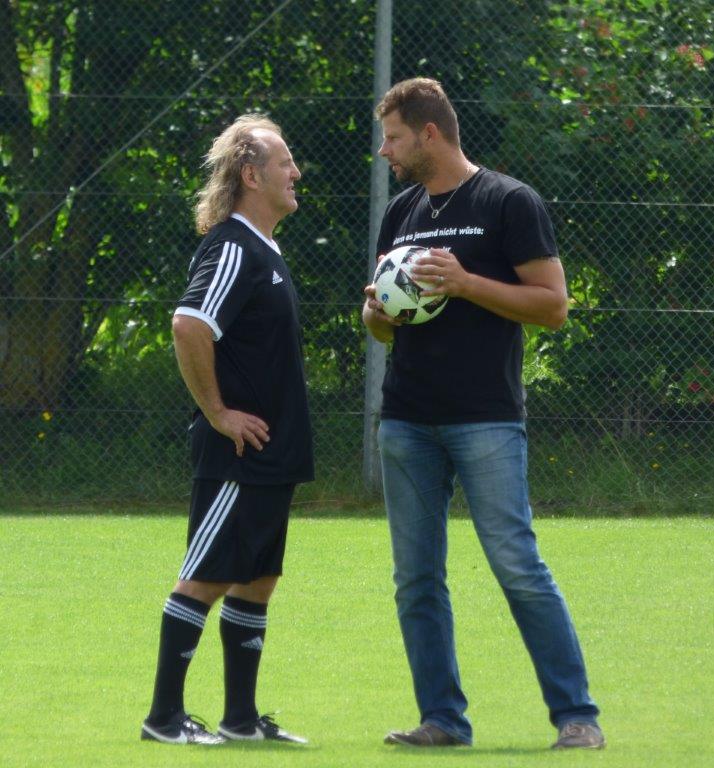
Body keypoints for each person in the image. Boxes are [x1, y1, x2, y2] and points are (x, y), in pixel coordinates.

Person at [362, 78, 604, 751]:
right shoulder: (401, 212)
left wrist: (465, 283)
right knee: (415, 580)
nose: (384, 151)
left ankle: (577, 717)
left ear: (429, 133)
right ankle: (441, 720)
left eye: (393, 137)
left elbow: (552, 307)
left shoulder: (507, 201)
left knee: (516, 565)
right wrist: (378, 311)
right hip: (406, 418)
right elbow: (380, 328)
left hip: (485, 418)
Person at [141, 115, 313, 745]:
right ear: (251, 175)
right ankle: (164, 719)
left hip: (271, 453)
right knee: (207, 575)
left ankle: (240, 720)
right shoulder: (233, 246)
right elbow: (189, 324)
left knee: (257, 579)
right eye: (285, 162)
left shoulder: (263, 249)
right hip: (237, 452)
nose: (296, 173)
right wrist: (218, 413)